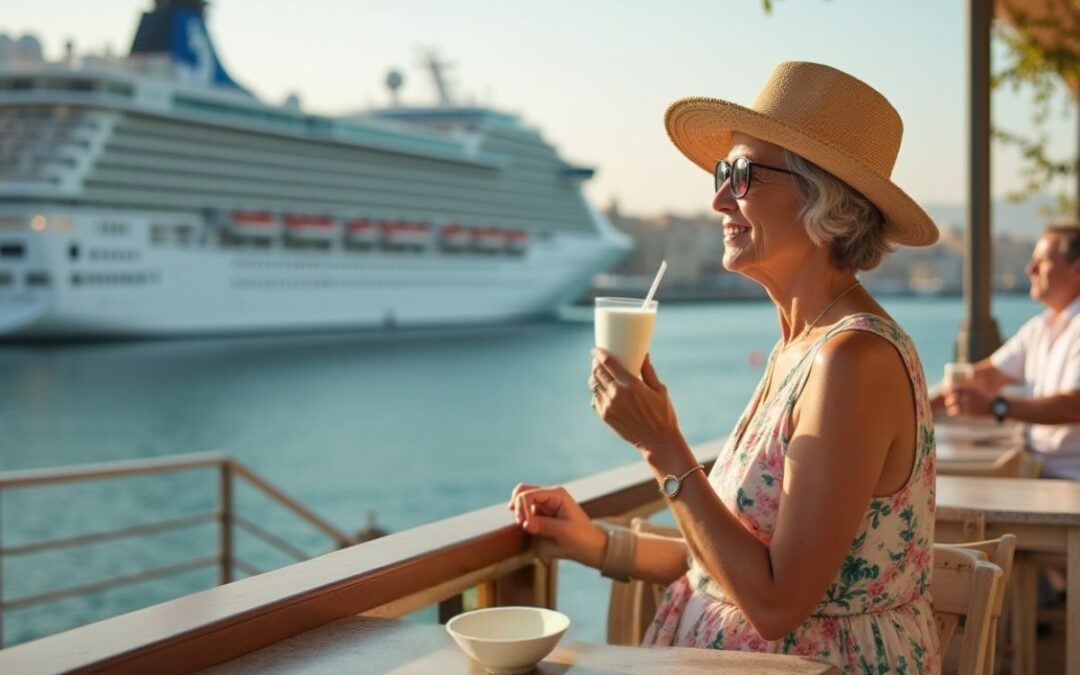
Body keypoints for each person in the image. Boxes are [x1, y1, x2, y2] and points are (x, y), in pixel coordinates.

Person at [508, 61, 942, 674]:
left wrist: (661, 445)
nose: (717, 199)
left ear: (825, 198)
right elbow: (741, 561)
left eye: (741, 175)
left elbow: (776, 603)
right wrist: (599, 543)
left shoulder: (853, 360)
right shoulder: (801, 348)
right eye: (722, 172)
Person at [934, 220, 1080, 478]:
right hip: (1040, 471)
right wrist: (919, 403)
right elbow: (986, 376)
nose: (1030, 269)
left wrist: (997, 407)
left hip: (1070, 479)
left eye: (1042, 262)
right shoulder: (1039, 328)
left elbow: (1073, 405)